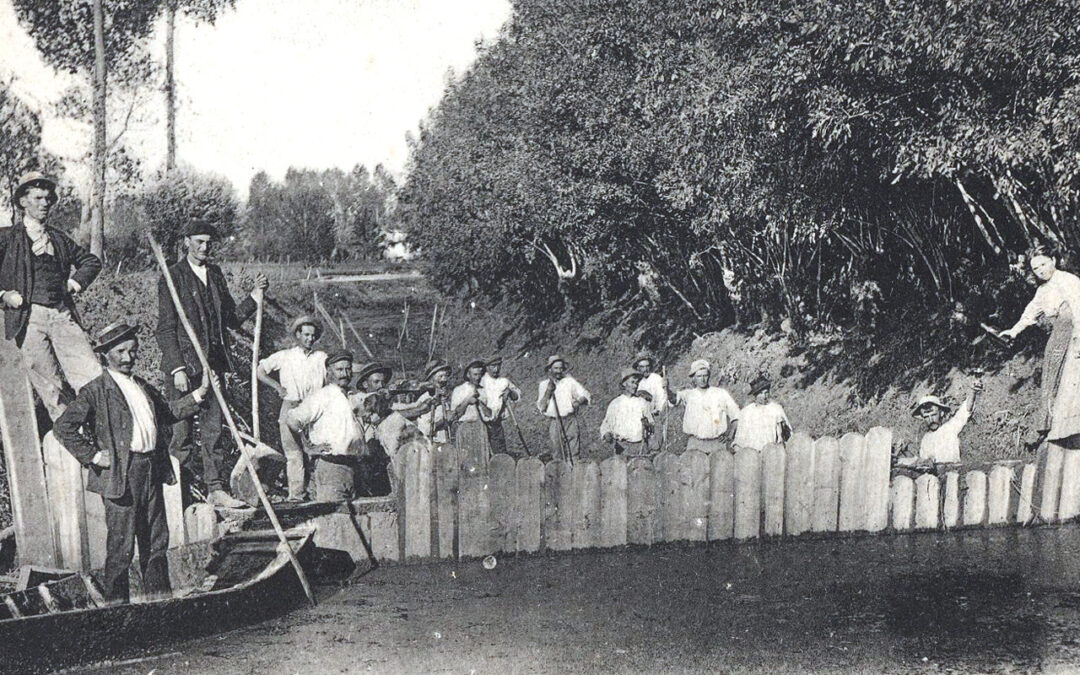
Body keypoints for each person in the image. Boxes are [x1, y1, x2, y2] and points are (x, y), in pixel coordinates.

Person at [53, 322, 212, 602]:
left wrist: (199, 394)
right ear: (105, 355)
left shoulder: (141, 386)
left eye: (133, 351)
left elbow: (169, 412)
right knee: (121, 546)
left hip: (151, 468)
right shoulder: (95, 391)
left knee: (156, 541)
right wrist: (93, 456)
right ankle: (118, 610)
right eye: (121, 352)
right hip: (121, 475)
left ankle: (159, 603)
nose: (129, 358)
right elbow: (63, 427)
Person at [157, 220, 269, 509]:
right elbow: (166, 328)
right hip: (184, 368)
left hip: (214, 366)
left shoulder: (216, 275)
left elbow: (229, 318)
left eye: (208, 242)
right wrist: (177, 368)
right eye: (199, 241)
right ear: (186, 241)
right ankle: (178, 496)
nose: (204, 247)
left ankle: (215, 489)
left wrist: (254, 298)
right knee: (180, 434)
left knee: (213, 430)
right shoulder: (173, 277)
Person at [0, 172, 102, 420]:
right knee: (51, 388)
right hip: (28, 320)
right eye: (37, 198)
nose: (44, 203)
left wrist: (73, 283)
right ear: (23, 202)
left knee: (92, 376)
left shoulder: (58, 238)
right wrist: (4, 294)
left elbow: (91, 261)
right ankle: (74, 446)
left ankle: (103, 433)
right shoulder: (6, 237)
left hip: (61, 315)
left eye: (48, 198)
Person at [993, 251, 1080, 447]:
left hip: (1075, 334)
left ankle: (1072, 425)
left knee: (1072, 378)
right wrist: (1013, 331)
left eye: (1043, 264)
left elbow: (1078, 309)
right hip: (1058, 335)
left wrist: (1078, 340)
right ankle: (1050, 427)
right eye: (1035, 268)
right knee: (1050, 377)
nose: (1041, 270)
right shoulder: (1042, 291)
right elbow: (1030, 313)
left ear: (1054, 261)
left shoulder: (1069, 280)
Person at [255, 315, 327, 502]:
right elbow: (260, 371)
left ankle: (317, 493)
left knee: (317, 450)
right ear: (298, 335)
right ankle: (296, 495)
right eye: (306, 334)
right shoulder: (285, 356)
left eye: (313, 335)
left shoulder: (321, 358)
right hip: (290, 406)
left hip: (314, 408)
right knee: (294, 453)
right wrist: (277, 386)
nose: (309, 339)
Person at [286, 350, 364, 502]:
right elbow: (293, 418)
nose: (345, 374)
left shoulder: (353, 396)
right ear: (329, 371)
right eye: (339, 369)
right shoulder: (322, 396)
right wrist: (308, 446)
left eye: (348, 369)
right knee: (333, 518)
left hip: (355, 467)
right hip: (332, 467)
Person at [669, 359, 741, 454]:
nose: (702, 379)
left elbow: (736, 415)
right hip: (695, 443)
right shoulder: (689, 395)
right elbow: (674, 399)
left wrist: (730, 435)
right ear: (694, 378)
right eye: (699, 376)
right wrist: (666, 389)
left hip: (717, 443)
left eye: (705, 375)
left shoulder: (720, 393)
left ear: (709, 376)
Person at [907, 381, 982, 465]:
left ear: (941, 413)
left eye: (933, 414)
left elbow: (965, 410)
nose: (931, 419)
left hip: (952, 472)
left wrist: (972, 392)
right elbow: (923, 462)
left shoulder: (950, 428)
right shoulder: (925, 439)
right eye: (927, 417)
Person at [537, 354, 591, 459]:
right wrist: (548, 391)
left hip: (570, 420)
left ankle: (574, 471)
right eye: (556, 368)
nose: (558, 371)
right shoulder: (544, 385)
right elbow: (541, 407)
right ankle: (560, 474)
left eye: (561, 368)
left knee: (574, 451)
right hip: (555, 421)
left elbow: (585, 395)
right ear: (550, 369)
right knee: (557, 451)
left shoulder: (569, 381)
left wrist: (578, 401)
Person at [600, 368, 654, 456]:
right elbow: (606, 425)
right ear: (624, 384)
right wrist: (607, 434)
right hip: (622, 447)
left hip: (641, 446)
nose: (635, 386)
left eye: (637, 383)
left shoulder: (641, 402)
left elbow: (651, 423)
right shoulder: (616, 403)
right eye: (632, 382)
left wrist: (648, 424)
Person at [451, 359, 494, 468]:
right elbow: (455, 415)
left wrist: (480, 402)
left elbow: (490, 415)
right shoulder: (458, 390)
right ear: (468, 374)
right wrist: (467, 401)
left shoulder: (484, 391)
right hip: (464, 428)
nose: (477, 377)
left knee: (481, 461)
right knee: (465, 462)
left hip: (480, 428)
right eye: (474, 374)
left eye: (480, 374)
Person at [732, 376, 791, 450]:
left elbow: (788, 433)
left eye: (766, 393)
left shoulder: (776, 409)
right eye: (761, 393)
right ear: (755, 395)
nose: (764, 396)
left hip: (771, 452)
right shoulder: (746, 412)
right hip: (752, 454)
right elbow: (739, 438)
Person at [480, 356, 521, 456]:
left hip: (497, 422)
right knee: (483, 450)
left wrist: (510, 392)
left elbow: (517, 395)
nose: (496, 369)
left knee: (499, 449)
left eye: (498, 366)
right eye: (493, 366)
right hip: (482, 422)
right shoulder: (482, 381)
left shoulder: (504, 381)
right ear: (487, 367)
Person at [633, 353, 668, 451]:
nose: (645, 369)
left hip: (656, 415)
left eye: (647, 366)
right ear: (638, 368)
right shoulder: (639, 383)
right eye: (642, 367)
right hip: (644, 417)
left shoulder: (656, 379)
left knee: (657, 444)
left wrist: (658, 410)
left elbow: (662, 397)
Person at [415, 361, 453, 447]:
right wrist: (440, 422)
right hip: (431, 445)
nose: (444, 380)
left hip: (445, 444)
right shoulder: (425, 399)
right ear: (431, 380)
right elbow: (423, 430)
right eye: (440, 376)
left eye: (446, 376)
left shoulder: (445, 399)